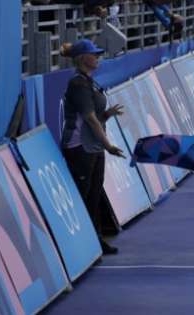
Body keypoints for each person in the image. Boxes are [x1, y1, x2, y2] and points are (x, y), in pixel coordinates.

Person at [59, 39, 126, 255]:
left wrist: (107, 114)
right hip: (80, 147)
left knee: (95, 193)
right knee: (84, 193)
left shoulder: (91, 83)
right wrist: (108, 145)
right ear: (82, 59)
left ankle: (96, 240)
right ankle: (80, 246)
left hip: (94, 146)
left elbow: (97, 117)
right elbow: (88, 118)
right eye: (93, 54)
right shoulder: (77, 84)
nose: (97, 57)